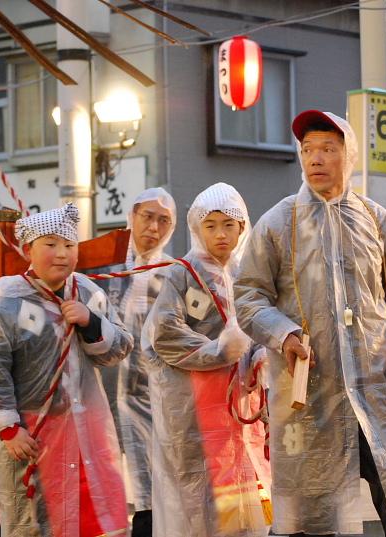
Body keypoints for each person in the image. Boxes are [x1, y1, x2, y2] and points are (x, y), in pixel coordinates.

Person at [234, 110, 386, 537]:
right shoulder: (279, 222)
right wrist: (285, 333)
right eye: (308, 149)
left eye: (328, 148)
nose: (316, 158)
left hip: (374, 390)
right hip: (311, 396)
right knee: (308, 518)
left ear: (347, 156)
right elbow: (248, 296)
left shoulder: (375, 219)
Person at [0, 203, 133, 536]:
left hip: (88, 427)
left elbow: (120, 347)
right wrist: (7, 428)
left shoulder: (89, 293)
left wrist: (91, 323)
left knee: (94, 515)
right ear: (28, 250)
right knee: (35, 519)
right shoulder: (10, 301)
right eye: (50, 244)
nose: (61, 254)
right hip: (31, 432)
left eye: (69, 245)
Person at [142, 182, 271, 537]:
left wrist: (261, 356)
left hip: (240, 405)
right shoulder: (182, 272)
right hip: (193, 407)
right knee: (198, 492)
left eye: (228, 225)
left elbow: (264, 323)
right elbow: (165, 334)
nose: (220, 234)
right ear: (196, 228)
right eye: (210, 225)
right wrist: (219, 351)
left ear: (243, 227)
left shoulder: (248, 274)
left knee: (243, 487)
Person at [94, 187, 178, 537]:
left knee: (150, 495)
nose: (153, 228)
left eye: (163, 221)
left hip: (153, 403)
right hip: (99, 399)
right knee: (103, 489)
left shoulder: (174, 275)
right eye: (147, 217)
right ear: (131, 217)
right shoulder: (102, 267)